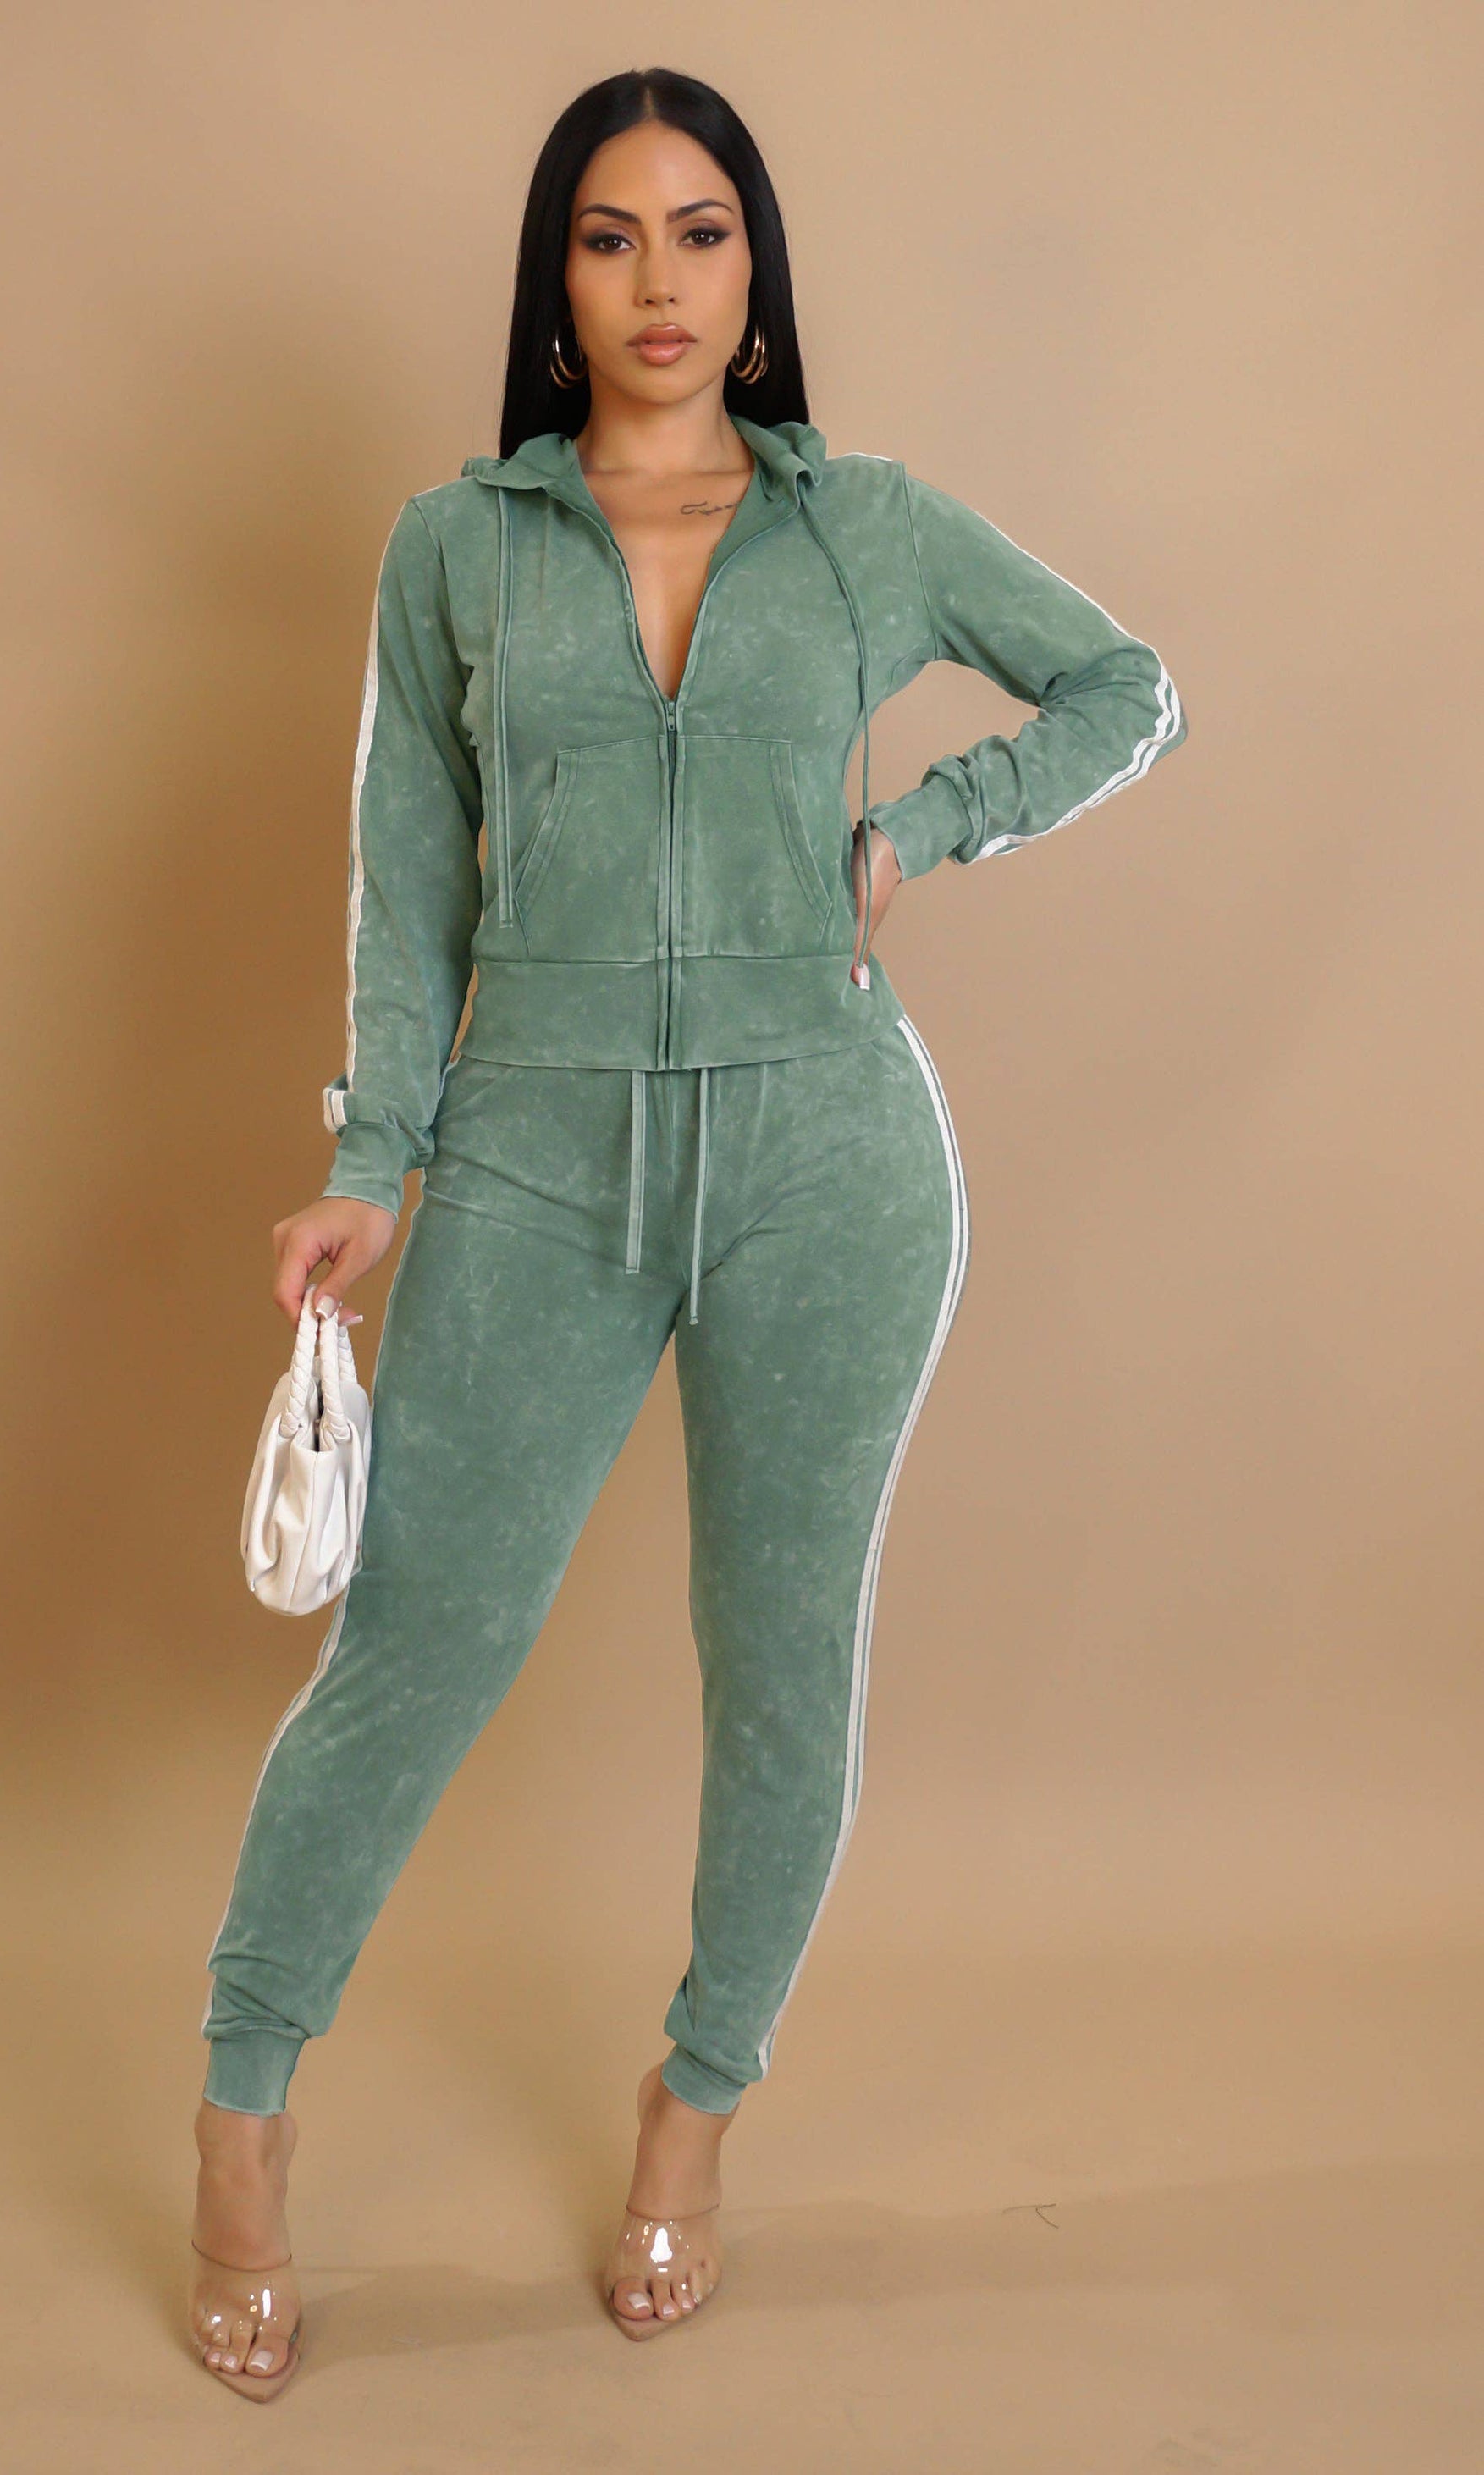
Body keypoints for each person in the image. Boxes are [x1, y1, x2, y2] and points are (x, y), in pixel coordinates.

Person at [187, 64, 1187, 2399]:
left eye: (704, 232)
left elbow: (1124, 686)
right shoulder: (458, 545)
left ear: (757, 269)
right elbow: (406, 888)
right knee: (415, 1648)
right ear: (556, 276)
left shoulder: (863, 527)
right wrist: (374, 1162)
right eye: (613, 235)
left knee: (783, 1669)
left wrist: (924, 825)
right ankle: (240, 2115)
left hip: (828, 1160)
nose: (662, 282)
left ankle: (696, 2104)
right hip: (532, 1156)